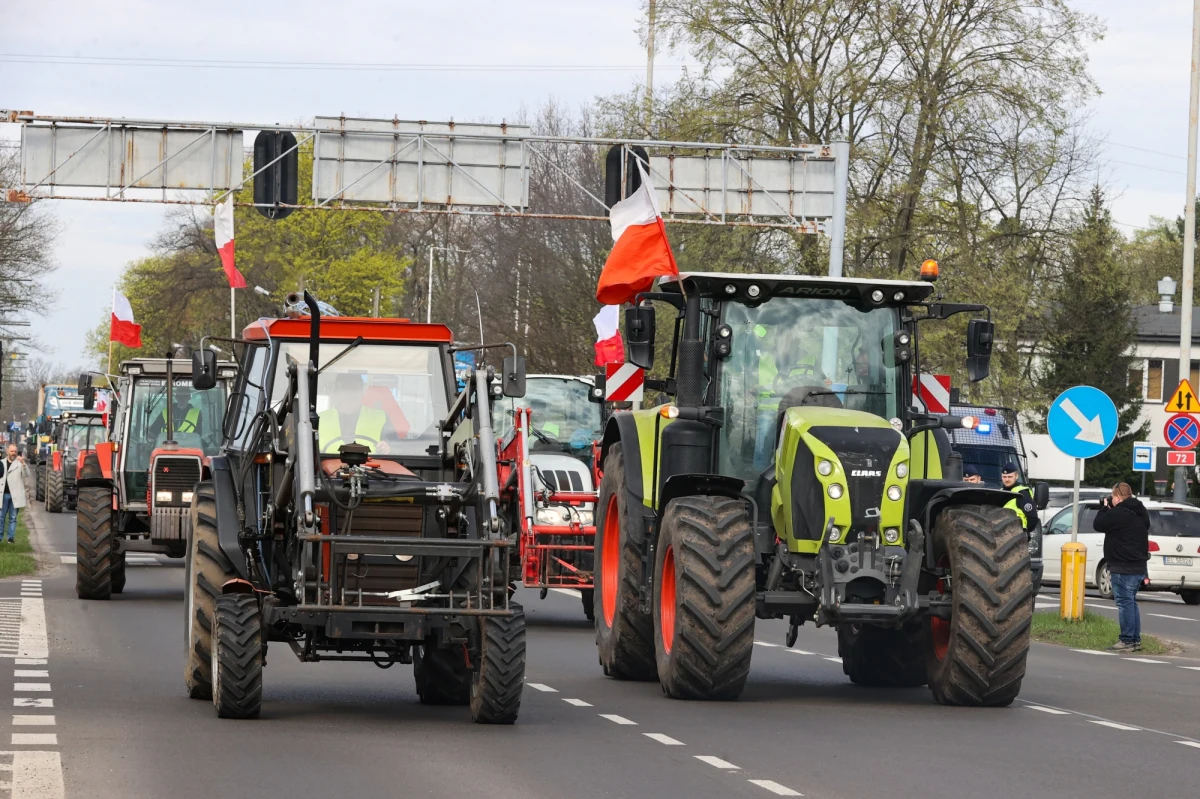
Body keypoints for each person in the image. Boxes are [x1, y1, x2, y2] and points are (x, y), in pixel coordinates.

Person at [1093, 482, 1150, 652]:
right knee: (1131, 602)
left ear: (1117, 497)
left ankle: (1126, 640)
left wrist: (1104, 508)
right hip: (1139, 566)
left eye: (1112, 496)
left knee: (1125, 603)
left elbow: (1098, 524)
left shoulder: (1118, 514)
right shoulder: (1141, 511)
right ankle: (1135, 640)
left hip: (1122, 566)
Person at [318, 373, 394, 454]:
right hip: (325, 465)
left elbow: (396, 447)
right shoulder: (318, 419)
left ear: (362, 392)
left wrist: (387, 448)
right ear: (336, 392)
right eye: (344, 389)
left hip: (370, 465)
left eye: (354, 389)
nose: (349, 394)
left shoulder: (381, 417)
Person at [0, 444, 29, 544]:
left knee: (13, 517)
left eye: (15, 451)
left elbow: (27, 474)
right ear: (7, 451)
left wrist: (24, 463)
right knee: (1, 517)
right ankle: (0, 537)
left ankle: (10, 538)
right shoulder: (1, 463)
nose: (14, 453)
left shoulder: (19, 463)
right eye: (12, 451)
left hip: (15, 495)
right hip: (3, 495)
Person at [1000, 461, 1038, 534]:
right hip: (1001, 533)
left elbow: (1032, 517)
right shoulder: (999, 492)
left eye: (1010, 477)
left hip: (1018, 533)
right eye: (1004, 477)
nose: (1007, 479)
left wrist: (1025, 533)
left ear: (1016, 476)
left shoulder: (1022, 493)